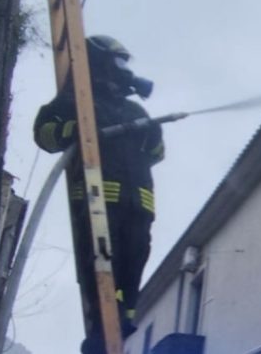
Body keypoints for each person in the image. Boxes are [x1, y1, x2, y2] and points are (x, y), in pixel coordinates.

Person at [33, 35, 164, 352]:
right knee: (101, 264)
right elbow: (44, 134)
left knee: (135, 260)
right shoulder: (77, 101)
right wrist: (74, 130)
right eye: (118, 61)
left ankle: (123, 320)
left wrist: (153, 134)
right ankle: (99, 328)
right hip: (98, 199)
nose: (123, 70)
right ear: (99, 62)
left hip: (139, 202)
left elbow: (157, 154)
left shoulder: (135, 109)